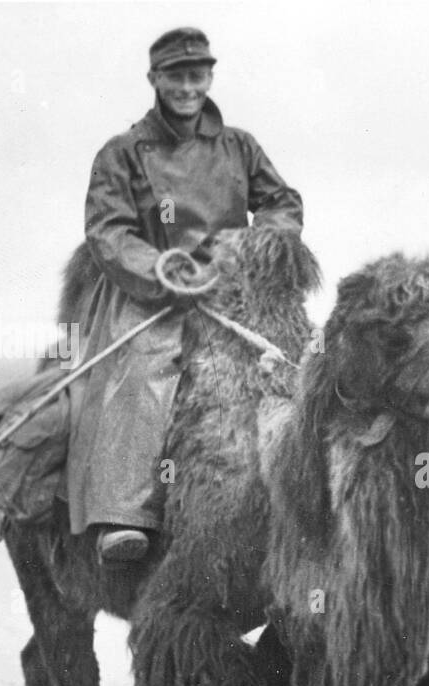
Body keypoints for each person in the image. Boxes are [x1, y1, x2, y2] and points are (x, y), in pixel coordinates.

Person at [67, 27, 304, 561]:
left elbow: (283, 202)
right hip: (155, 290)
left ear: (210, 78)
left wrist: (254, 245)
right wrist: (159, 268)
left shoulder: (239, 145)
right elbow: (108, 230)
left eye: (197, 75)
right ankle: (124, 516)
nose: (188, 87)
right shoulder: (122, 152)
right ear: (155, 79)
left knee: (297, 362)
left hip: (233, 286)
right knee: (146, 369)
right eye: (176, 76)